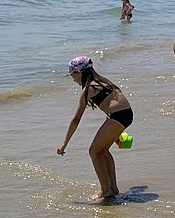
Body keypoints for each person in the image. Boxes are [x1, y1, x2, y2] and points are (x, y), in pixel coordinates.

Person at [57, 56, 134, 201]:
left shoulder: (89, 88)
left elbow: (76, 119)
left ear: (79, 72)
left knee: (93, 151)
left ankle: (106, 190)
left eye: (72, 74)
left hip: (117, 116)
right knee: (103, 151)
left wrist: (64, 143)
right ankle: (113, 188)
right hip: (126, 114)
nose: (73, 79)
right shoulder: (104, 81)